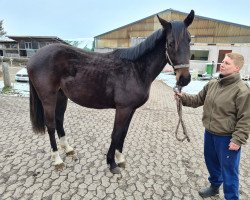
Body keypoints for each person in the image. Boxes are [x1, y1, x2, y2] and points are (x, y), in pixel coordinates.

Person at [175, 53, 250, 200]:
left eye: (227, 63)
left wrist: (238, 139)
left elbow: (246, 118)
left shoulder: (242, 90)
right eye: (223, 61)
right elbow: (197, 100)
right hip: (209, 133)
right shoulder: (213, 83)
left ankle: (232, 197)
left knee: (229, 171)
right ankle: (214, 187)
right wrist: (182, 97)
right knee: (212, 163)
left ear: (237, 68)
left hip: (227, 138)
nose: (222, 64)